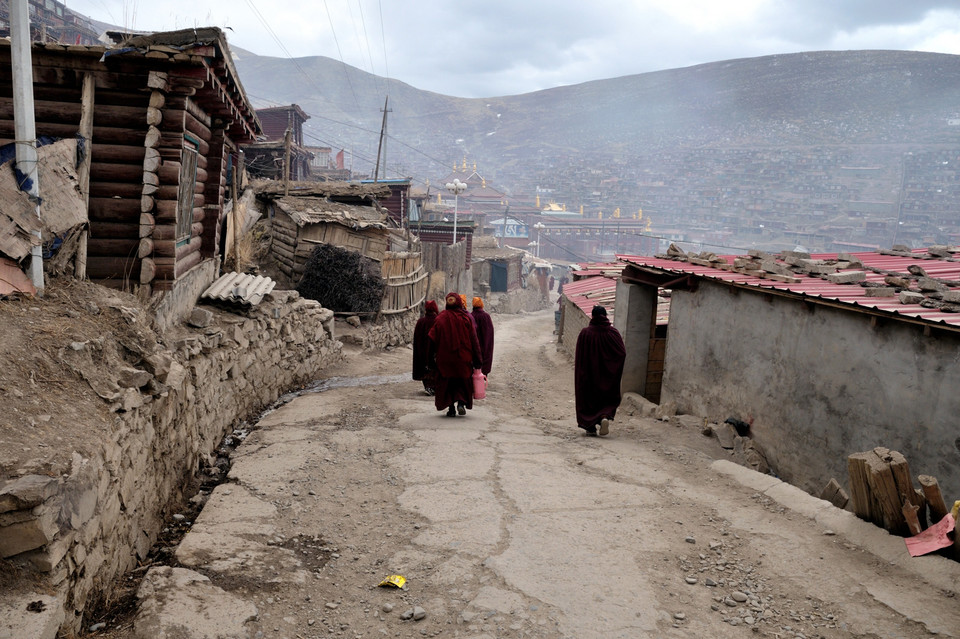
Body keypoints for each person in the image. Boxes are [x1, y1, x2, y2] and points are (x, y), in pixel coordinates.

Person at [428, 292, 483, 417]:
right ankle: (461, 403)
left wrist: (430, 359)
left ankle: (451, 408)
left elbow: (431, 339)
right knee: (462, 382)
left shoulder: (440, 318)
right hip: (463, 358)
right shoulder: (466, 318)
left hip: (445, 359)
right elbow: (474, 341)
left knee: (448, 382)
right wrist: (478, 360)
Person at [574, 305, 626, 436]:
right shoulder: (613, 333)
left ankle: (590, 427)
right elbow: (622, 353)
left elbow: (580, 356)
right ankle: (604, 417)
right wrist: (613, 367)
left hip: (589, 375)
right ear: (606, 316)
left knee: (589, 399)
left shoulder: (585, 333)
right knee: (605, 400)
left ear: (592, 316)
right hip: (608, 376)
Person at [412, 300, 439, 395]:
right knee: (435, 369)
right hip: (435, 352)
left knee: (425, 370)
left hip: (422, 351)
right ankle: (434, 387)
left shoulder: (421, 322)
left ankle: (428, 387)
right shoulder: (438, 320)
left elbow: (417, 338)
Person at [471, 297, 494, 377]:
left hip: (474, 347)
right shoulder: (486, 316)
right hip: (485, 345)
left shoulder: (471, 316)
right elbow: (490, 333)